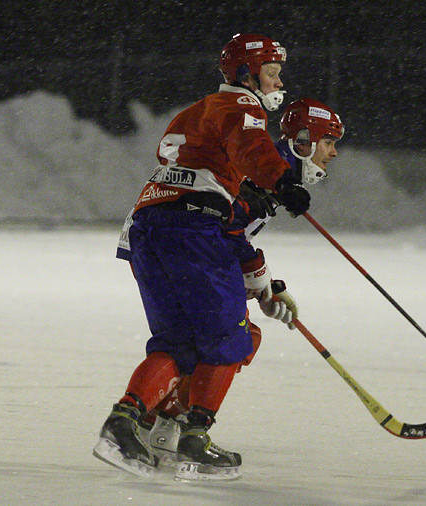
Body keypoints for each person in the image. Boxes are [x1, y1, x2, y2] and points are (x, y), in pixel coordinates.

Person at [92, 33, 311, 482]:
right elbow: (251, 146)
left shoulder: (197, 109)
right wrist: (281, 181)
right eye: (272, 72)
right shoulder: (241, 107)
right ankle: (194, 439)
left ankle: (124, 423)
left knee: (179, 344)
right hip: (193, 229)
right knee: (232, 338)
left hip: (147, 230)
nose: (277, 81)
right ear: (248, 73)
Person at [136, 97, 345, 470]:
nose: (332, 153)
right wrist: (260, 278)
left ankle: (159, 424)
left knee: (208, 340)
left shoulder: (272, 172)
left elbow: (232, 236)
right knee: (231, 339)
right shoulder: (265, 173)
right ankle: (170, 424)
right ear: (304, 140)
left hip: (160, 242)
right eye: (328, 142)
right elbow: (226, 228)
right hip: (179, 245)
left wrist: (268, 286)